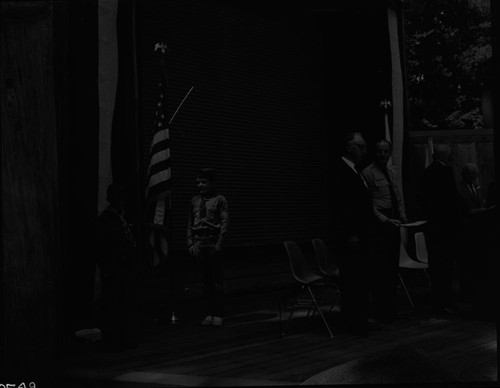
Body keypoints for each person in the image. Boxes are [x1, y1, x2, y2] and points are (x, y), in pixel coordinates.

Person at [332, 132, 375, 336]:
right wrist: (350, 233)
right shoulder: (341, 171)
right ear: (350, 147)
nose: (364, 151)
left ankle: (360, 319)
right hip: (351, 237)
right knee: (351, 280)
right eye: (361, 146)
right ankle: (351, 323)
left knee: (361, 279)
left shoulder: (356, 172)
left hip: (363, 235)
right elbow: (342, 207)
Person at [362, 139, 407, 323]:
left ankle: (391, 310)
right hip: (380, 225)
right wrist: (385, 220)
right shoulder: (367, 173)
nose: (382, 155)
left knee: (392, 269)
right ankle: (381, 312)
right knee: (380, 271)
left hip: (394, 223)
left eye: (385, 151)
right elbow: (368, 205)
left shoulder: (391, 171)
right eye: (379, 151)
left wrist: (403, 216)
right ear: (375, 152)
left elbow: (398, 196)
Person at [419, 144, 461, 316]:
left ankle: (437, 304)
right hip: (446, 228)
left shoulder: (426, 173)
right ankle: (446, 303)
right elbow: (452, 200)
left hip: (432, 228)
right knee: (447, 268)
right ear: (447, 157)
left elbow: (422, 199)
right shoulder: (446, 173)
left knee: (435, 268)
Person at [96, 183, 138, 350]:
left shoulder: (122, 218)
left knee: (124, 303)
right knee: (112, 304)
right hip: (114, 268)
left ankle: (123, 337)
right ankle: (112, 339)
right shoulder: (105, 220)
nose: (123, 202)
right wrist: (107, 267)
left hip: (125, 268)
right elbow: (101, 247)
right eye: (119, 199)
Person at [187, 168, 229, 327]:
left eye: (203, 182)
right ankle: (208, 313)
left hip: (213, 243)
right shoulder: (194, 201)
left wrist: (219, 244)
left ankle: (218, 314)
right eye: (198, 182)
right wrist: (190, 243)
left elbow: (225, 224)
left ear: (211, 183)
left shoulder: (220, 200)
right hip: (199, 244)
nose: (200, 185)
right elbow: (190, 223)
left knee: (216, 281)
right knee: (205, 282)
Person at [456, 163, 488, 303]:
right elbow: (460, 210)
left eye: (474, 174)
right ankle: (466, 294)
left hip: (479, 231)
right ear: (463, 174)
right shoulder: (458, 189)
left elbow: (481, 204)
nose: (472, 176)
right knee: (466, 264)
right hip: (465, 231)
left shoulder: (477, 187)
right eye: (469, 173)